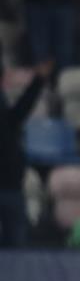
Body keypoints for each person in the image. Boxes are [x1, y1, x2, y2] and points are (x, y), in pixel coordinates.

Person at [0, 63, 52, 247]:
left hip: (12, 186)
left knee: (17, 250)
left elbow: (16, 116)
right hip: (11, 185)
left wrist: (37, 82)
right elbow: (16, 116)